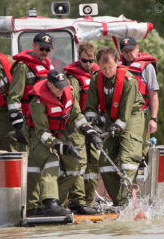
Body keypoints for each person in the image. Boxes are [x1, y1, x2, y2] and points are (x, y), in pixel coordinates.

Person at [23, 69, 102, 216]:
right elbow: (41, 132)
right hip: (36, 134)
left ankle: (56, 203)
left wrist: (88, 130)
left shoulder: (68, 92)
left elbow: (76, 115)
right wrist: (61, 146)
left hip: (56, 133)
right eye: (58, 87)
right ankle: (50, 204)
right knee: (52, 160)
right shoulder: (38, 101)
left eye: (63, 85)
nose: (61, 89)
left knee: (75, 164)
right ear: (49, 84)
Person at [84, 47, 145, 206]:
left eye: (110, 67)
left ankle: (126, 198)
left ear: (117, 62)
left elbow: (124, 116)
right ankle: (119, 202)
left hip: (131, 116)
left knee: (127, 159)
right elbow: (90, 108)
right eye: (103, 68)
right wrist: (91, 128)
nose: (107, 71)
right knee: (104, 162)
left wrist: (114, 129)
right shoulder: (96, 79)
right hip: (111, 118)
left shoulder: (128, 81)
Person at [7, 32, 54, 215]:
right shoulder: (22, 67)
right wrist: (18, 125)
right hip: (26, 124)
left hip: (42, 124)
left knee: (43, 163)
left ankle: (43, 203)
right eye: (41, 48)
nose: (44, 52)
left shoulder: (47, 66)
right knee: (30, 166)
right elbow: (14, 97)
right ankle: (31, 206)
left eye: (47, 49)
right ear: (34, 46)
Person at [63, 42, 100, 208]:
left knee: (94, 162)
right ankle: (77, 202)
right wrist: (83, 124)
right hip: (77, 126)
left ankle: (89, 201)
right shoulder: (73, 78)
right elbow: (74, 105)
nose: (88, 64)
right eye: (85, 61)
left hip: (94, 125)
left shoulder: (98, 74)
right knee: (80, 162)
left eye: (91, 61)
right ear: (79, 59)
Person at [118, 37, 159, 159]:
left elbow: (153, 94)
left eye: (131, 50)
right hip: (119, 115)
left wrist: (154, 119)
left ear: (137, 49)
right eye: (126, 51)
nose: (129, 53)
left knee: (141, 149)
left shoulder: (147, 67)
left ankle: (142, 175)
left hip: (140, 115)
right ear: (122, 53)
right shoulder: (116, 67)